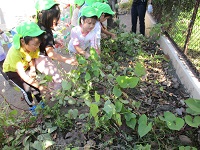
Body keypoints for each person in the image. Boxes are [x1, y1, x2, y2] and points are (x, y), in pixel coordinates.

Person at [2, 21, 46, 115]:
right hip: (13, 71)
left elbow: (32, 58)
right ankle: (32, 107)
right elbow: (22, 75)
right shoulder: (15, 53)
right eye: (35, 45)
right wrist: (39, 85)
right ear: (23, 41)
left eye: (38, 44)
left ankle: (41, 103)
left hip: (25, 66)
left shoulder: (34, 46)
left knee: (35, 86)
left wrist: (33, 69)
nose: (37, 47)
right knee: (27, 89)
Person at [35, 0, 78, 91]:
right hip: (42, 59)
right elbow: (51, 54)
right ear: (47, 18)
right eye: (55, 20)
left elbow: (43, 40)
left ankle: (52, 93)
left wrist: (54, 41)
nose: (58, 22)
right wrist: (67, 60)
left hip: (37, 58)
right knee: (58, 79)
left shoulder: (40, 26)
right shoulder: (47, 33)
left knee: (50, 78)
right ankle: (58, 96)